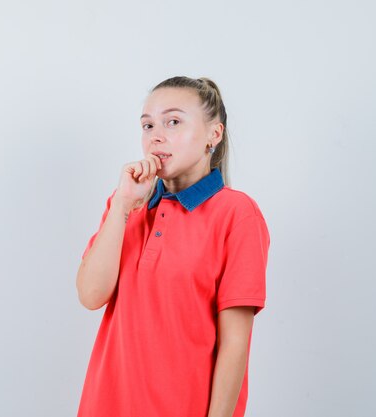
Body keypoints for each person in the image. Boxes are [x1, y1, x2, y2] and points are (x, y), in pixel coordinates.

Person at [75, 76, 271, 417]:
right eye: (148, 125)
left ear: (214, 134)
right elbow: (91, 294)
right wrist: (122, 206)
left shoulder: (237, 214)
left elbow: (235, 344)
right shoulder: (125, 205)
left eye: (173, 121)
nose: (156, 135)